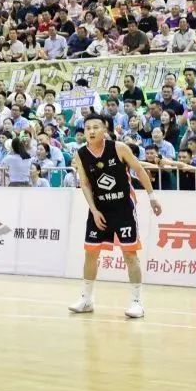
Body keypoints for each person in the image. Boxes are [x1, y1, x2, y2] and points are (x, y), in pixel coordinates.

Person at [69, 114, 162, 319]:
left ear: (105, 130)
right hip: (100, 210)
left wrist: (152, 197)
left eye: (96, 127)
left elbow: (139, 170)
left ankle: (137, 302)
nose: (91, 131)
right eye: (87, 128)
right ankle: (86, 299)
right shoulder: (81, 154)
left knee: (130, 254)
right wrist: (94, 210)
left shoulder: (119, 148)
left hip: (123, 209)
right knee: (90, 254)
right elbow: (85, 183)